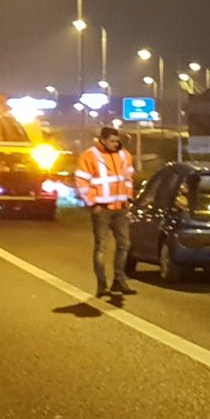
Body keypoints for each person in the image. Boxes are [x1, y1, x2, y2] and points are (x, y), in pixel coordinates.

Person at [75, 125, 136, 300]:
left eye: (117, 141)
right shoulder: (90, 156)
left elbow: (128, 178)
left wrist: (129, 198)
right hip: (102, 209)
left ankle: (119, 280)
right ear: (102, 140)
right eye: (112, 141)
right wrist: (93, 203)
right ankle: (102, 284)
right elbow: (81, 182)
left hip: (121, 207)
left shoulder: (124, 155)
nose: (116, 144)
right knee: (101, 247)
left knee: (125, 244)